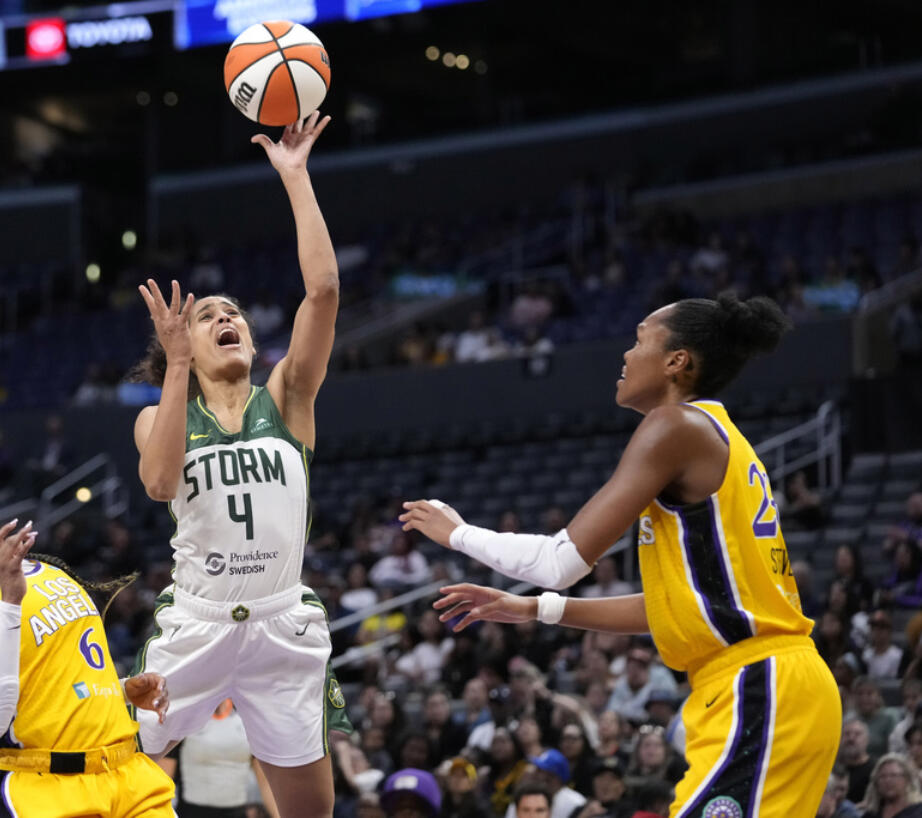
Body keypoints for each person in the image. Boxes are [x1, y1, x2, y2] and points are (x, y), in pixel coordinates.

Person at [404, 294, 842, 817]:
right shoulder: (718, 437)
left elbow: (558, 563)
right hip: (768, 684)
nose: (627, 355)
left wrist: (458, 534)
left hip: (759, 685)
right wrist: (534, 609)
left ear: (678, 361)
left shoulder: (674, 426)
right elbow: (674, 605)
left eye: (639, 341)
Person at [128, 110, 350, 818]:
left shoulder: (287, 398)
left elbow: (322, 294)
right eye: (208, 314)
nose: (228, 317)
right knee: (112, 763)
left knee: (312, 809)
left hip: (285, 622)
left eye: (236, 314)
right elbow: (160, 482)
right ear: (180, 346)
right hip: (197, 623)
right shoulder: (158, 417)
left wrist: (296, 178)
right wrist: (177, 368)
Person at [0, 470, 175, 818]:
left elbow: (46, 685)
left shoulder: (50, 572)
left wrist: (118, 690)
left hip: (130, 775)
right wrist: (10, 599)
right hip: (51, 790)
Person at [157, 699, 279, 818]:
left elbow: (265, 782)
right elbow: (163, 779)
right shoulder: (185, 714)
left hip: (237, 812)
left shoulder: (247, 713)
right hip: (192, 812)